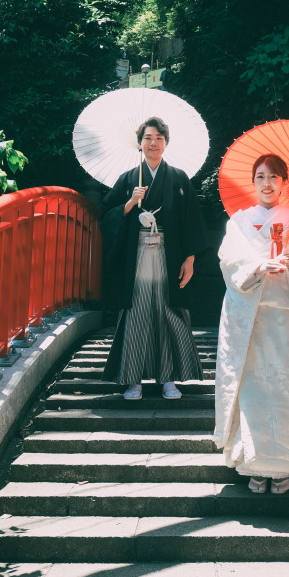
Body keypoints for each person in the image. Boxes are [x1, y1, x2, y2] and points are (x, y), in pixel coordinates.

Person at [214, 153, 289, 493]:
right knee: (253, 390)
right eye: (261, 177)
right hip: (252, 317)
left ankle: (287, 466)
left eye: (274, 177)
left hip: (286, 315)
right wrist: (256, 269)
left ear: (284, 183)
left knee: (287, 388)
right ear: (253, 182)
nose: (267, 184)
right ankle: (254, 461)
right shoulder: (239, 221)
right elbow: (229, 261)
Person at [101, 116, 207, 400]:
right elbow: (107, 217)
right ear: (140, 143)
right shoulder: (127, 179)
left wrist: (191, 258)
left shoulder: (179, 178)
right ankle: (132, 379)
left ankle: (168, 379)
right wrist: (130, 203)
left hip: (168, 255)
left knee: (166, 311)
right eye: (148, 138)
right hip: (135, 256)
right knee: (136, 312)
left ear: (166, 143)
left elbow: (192, 221)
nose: (153, 143)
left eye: (159, 138)